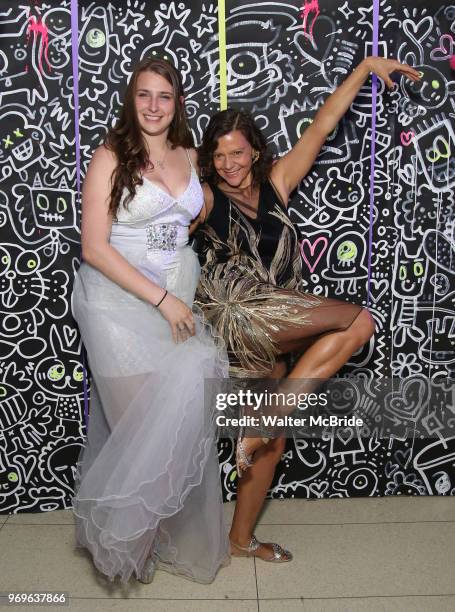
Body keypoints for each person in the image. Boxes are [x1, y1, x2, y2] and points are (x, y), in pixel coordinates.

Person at [191, 57, 421, 562]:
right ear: (208, 158)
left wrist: (363, 69)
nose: (230, 164)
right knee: (358, 321)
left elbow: (322, 124)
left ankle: (241, 540)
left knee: (270, 443)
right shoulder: (203, 198)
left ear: (254, 151)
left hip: (281, 322)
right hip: (240, 317)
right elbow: (156, 223)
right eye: (219, 155)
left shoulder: (276, 183)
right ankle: (270, 416)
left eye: (238, 153)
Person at [71, 57, 230, 585]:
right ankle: (126, 547)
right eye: (144, 95)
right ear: (131, 99)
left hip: (177, 305)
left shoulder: (188, 154)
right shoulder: (109, 157)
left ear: (177, 101)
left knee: (175, 426)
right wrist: (161, 298)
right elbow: (94, 247)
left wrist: (196, 215)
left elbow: (191, 212)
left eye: (164, 96)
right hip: (118, 307)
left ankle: (155, 534)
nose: (154, 106)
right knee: (139, 432)